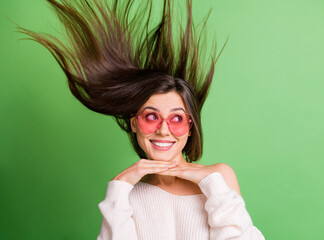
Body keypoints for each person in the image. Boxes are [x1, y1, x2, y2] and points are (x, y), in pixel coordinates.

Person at [19, 0, 265, 239]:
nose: (164, 130)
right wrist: (119, 185)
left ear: (191, 127)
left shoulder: (218, 178)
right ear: (134, 122)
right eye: (151, 117)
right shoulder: (130, 195)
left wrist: (211, 184)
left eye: (177, 119)